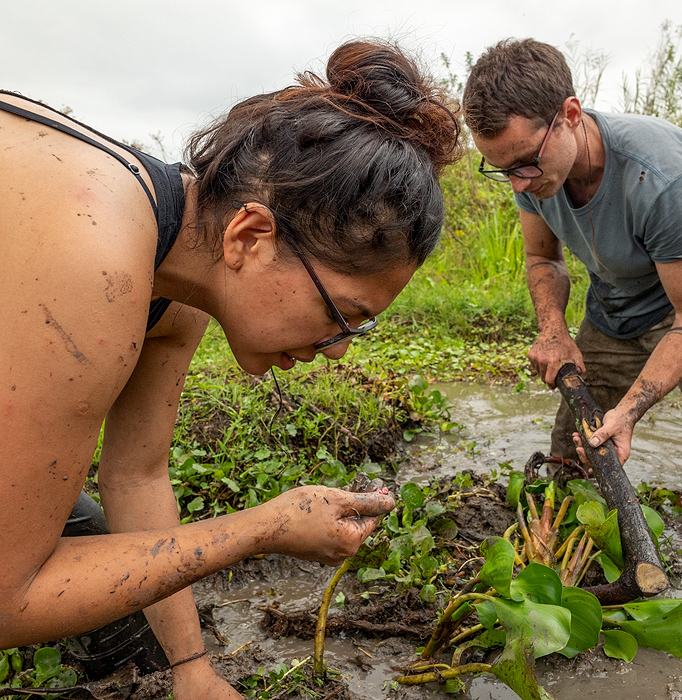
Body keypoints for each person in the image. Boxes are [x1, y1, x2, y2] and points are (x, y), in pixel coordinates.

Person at [0, 40, 461, 699]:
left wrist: (191, 670)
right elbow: (6, 597)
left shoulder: (175, 280)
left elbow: (136, 475)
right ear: (250, 236)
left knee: (91, 544)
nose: (339, 348)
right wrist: (260, 529)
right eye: (342, 312)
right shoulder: (94, 258)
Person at [462, 38, 682, 467]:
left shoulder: (663, 177)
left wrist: (628, 412)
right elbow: (542, 258)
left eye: (524, 163)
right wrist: (553, 329)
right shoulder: (534, 176)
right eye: (502, 171)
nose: (517, 184)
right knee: (574, 449)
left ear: (570, 115)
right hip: (615, 312)